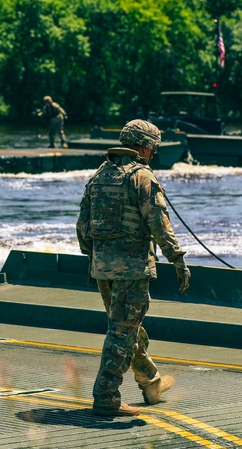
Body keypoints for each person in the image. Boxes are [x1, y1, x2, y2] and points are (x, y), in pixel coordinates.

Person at [76, 119, 190, 417]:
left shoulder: (99, 176)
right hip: (132, 270)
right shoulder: (142, 178)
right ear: (143, 147)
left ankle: (151, 381)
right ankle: (106, 397)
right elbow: (159, 225)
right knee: (121, 334)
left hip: (102, 270)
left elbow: (82, 227)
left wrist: (95, 259)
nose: (152, 154)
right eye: (152, 148)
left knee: (125, 329)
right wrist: (177, 260)